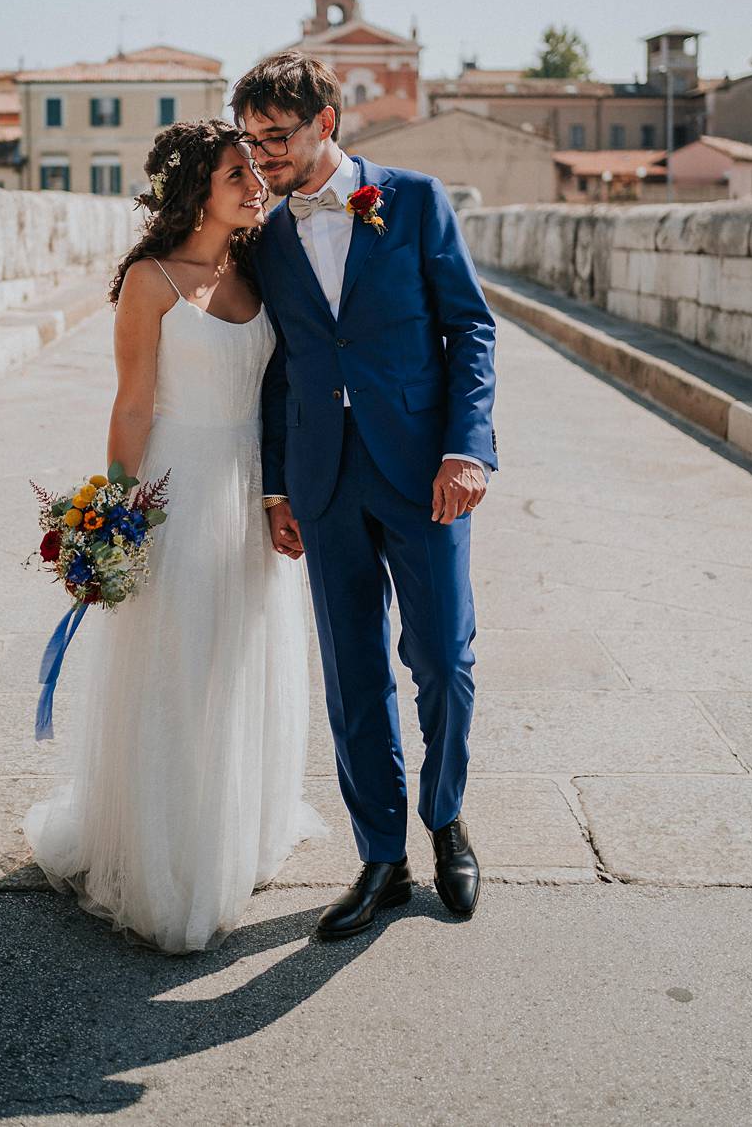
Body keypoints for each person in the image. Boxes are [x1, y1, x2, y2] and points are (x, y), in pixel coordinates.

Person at [23, 119, 322, 954]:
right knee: (180, 666)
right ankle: (168, 853)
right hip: (177, 489)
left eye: (255, 173)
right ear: (197, 187)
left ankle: (237, 827)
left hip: (248, 486)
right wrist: (115, 517)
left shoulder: (260, 266)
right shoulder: (150, 282)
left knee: (242, 655)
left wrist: (282, 491)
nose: (255, 184)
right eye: (238, 173)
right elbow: (131, 405)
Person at [232, 52, 497, 939]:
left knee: (445, 664)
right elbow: (276, 370)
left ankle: (446, 820)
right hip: (323, 480)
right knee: (352, 675)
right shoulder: (264, 236)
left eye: (279, 135)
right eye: (253, 137)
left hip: (426, 471)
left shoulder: (414, 200)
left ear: (326, 124)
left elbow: (470, 328)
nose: (263, 153)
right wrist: (277, 488)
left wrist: (467, 448)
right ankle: (381, 855)